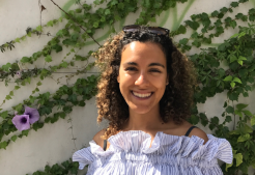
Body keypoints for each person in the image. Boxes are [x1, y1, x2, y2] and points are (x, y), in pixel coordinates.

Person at [72, 25, 233, 175]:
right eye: (131, 69)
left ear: (168, 77)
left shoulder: (192, 145)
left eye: (154, 70)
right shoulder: (103, 146)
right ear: (118, 75)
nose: (141, 81)